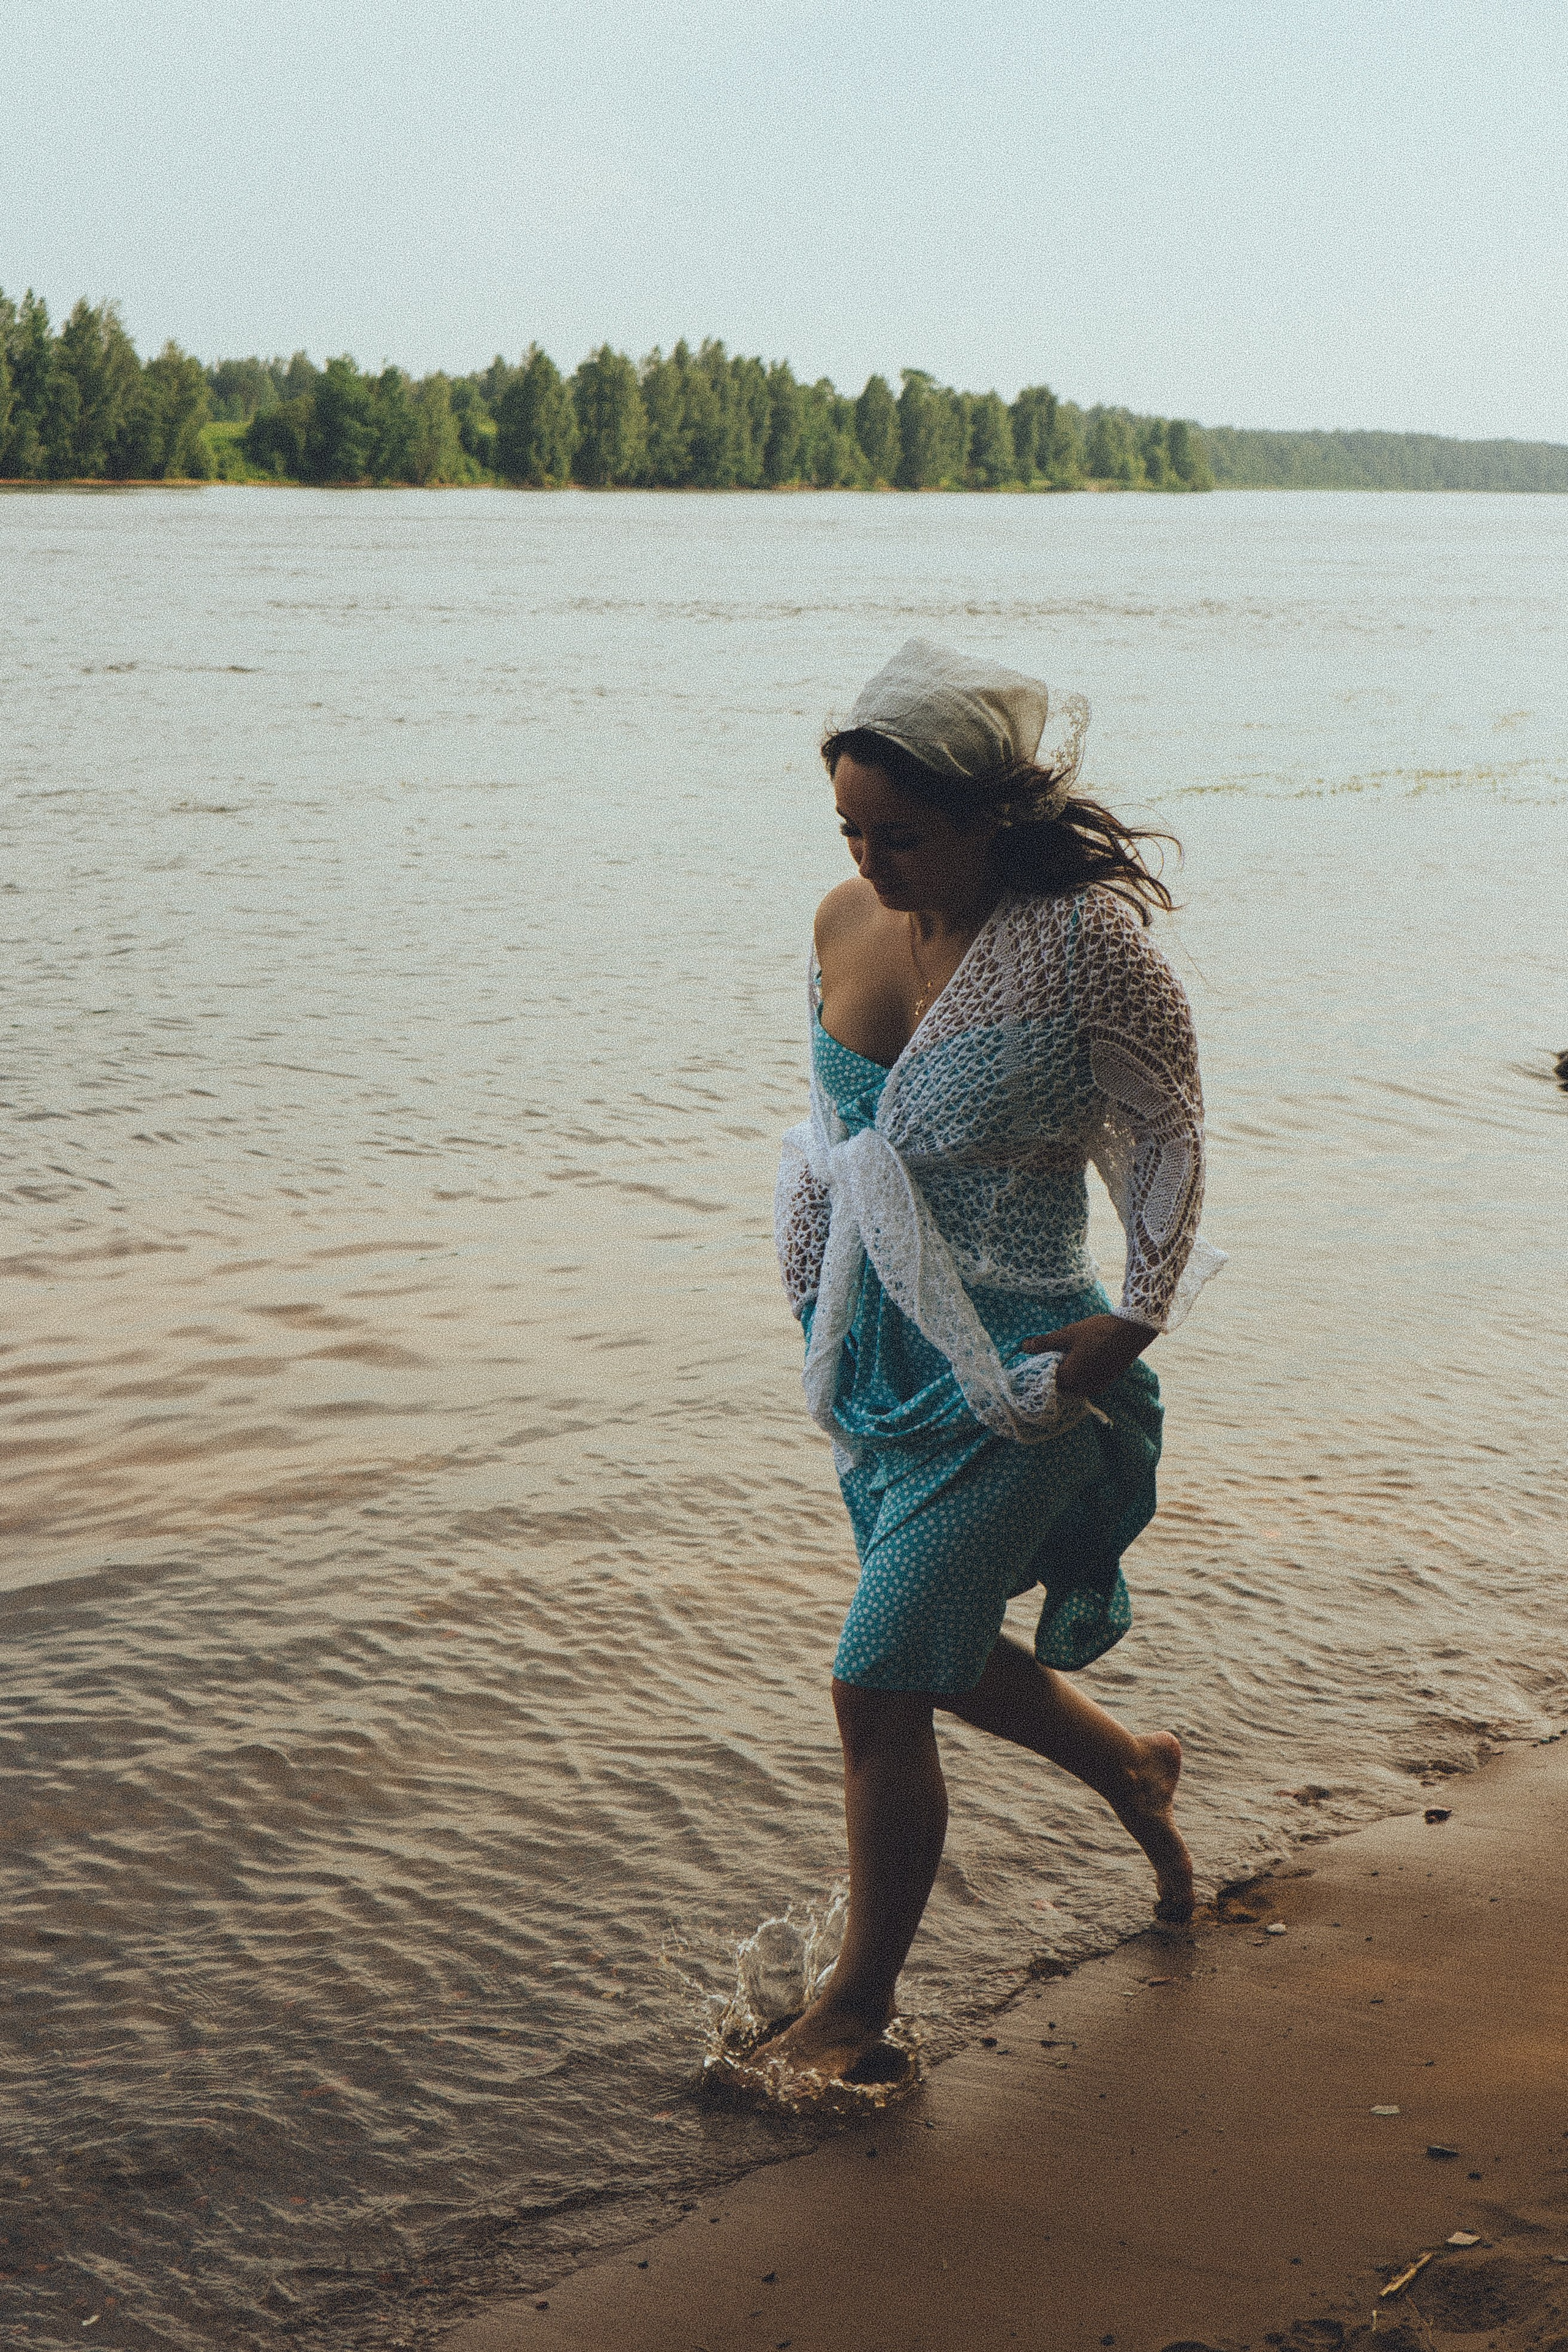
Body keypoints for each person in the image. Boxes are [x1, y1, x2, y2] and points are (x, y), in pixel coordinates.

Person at [768, 638, 1225, 2087]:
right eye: (850, 826)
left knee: (875, 1682)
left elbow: (1167, 1133)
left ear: (989, 817)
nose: (870, 856)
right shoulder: (845, 920)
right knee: (945, 1659)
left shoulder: (1084, 945)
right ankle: (1131, 1767)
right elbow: (856, 1143)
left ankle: (855, 2009)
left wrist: (1136, 1317)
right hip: (875, 1367)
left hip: (1016, 1381)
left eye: (899, 832)